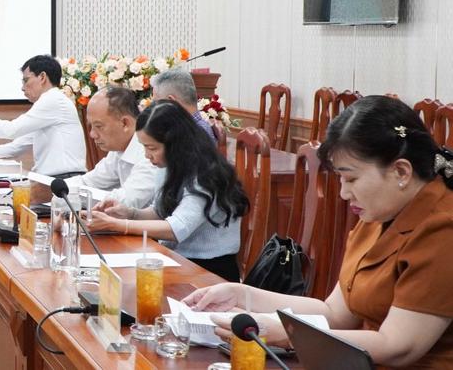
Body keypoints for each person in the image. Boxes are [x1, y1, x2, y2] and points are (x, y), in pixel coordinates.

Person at [184, 96, 453, 367]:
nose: (344, 193)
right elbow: (335, 313)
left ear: (401, 172)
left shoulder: (442, 229)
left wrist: (289, 335)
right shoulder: (381, 211)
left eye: (352, 179)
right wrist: (242, 294)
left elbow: (397, 346)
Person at [86, 101, 247, 282]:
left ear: (175, 144)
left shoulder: (208, 174)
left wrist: (119, 225)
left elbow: (176, 228)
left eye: (152, 148)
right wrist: (129, 213)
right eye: (144, 147)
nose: (146, 155)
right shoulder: (170, 165)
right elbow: (159, 211)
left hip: (209, 271)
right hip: (176, 259)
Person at [0, 55, 86, 177]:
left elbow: (10, 130)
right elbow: (14, 148)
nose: (22, 88)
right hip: (54, 179)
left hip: (64, 180)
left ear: (42, 77)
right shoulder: (48, 106)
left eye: (26, 80)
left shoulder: (52, 99)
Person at [64, 86, 163, 208]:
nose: (92, 134)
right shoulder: (119, 149)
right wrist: (56, 188)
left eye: (98, 126)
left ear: (125, 123)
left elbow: (126, 201)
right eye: (91, 126)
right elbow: (88, 182)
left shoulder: (150, 152)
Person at [150, 68, 218, 145]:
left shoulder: (191, 136)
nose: (154, 109)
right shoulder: (192, 129)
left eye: (156, 103)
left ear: (171, 102)